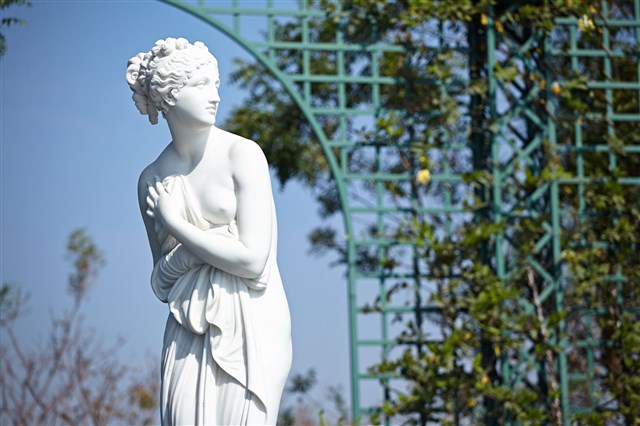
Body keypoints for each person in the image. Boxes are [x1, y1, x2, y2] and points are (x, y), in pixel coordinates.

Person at [126, 37, 292, 425]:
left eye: (215, 84)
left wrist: (176, 225)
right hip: (187, 328)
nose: (214, 95)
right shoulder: (152, 179)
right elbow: (161, 284)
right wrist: (206, 247)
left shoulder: (242, 154)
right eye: (200, 85)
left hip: (251, 320)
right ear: (169, 95)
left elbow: (252, 261)